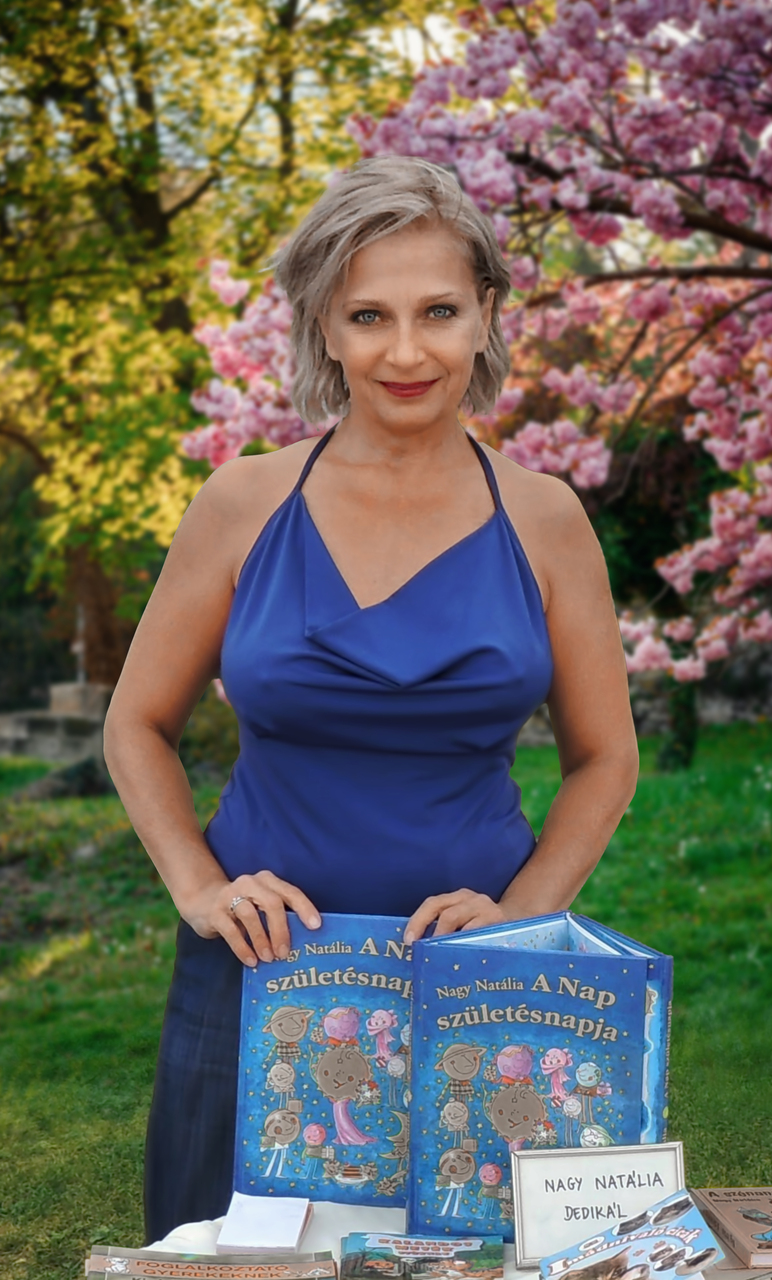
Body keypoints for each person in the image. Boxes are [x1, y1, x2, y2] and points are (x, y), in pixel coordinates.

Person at [103, 155, 638, 1243]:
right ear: (324, 326)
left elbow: (605, 758)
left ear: (485, 313)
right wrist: (199, 887)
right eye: (368, 316)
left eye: (438, 311)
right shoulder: (242, 502)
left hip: (481, 992)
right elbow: (136, 723)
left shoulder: (545, 519)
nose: (405, 352)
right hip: (253, 977)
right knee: (229, 1262)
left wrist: (523, 916)